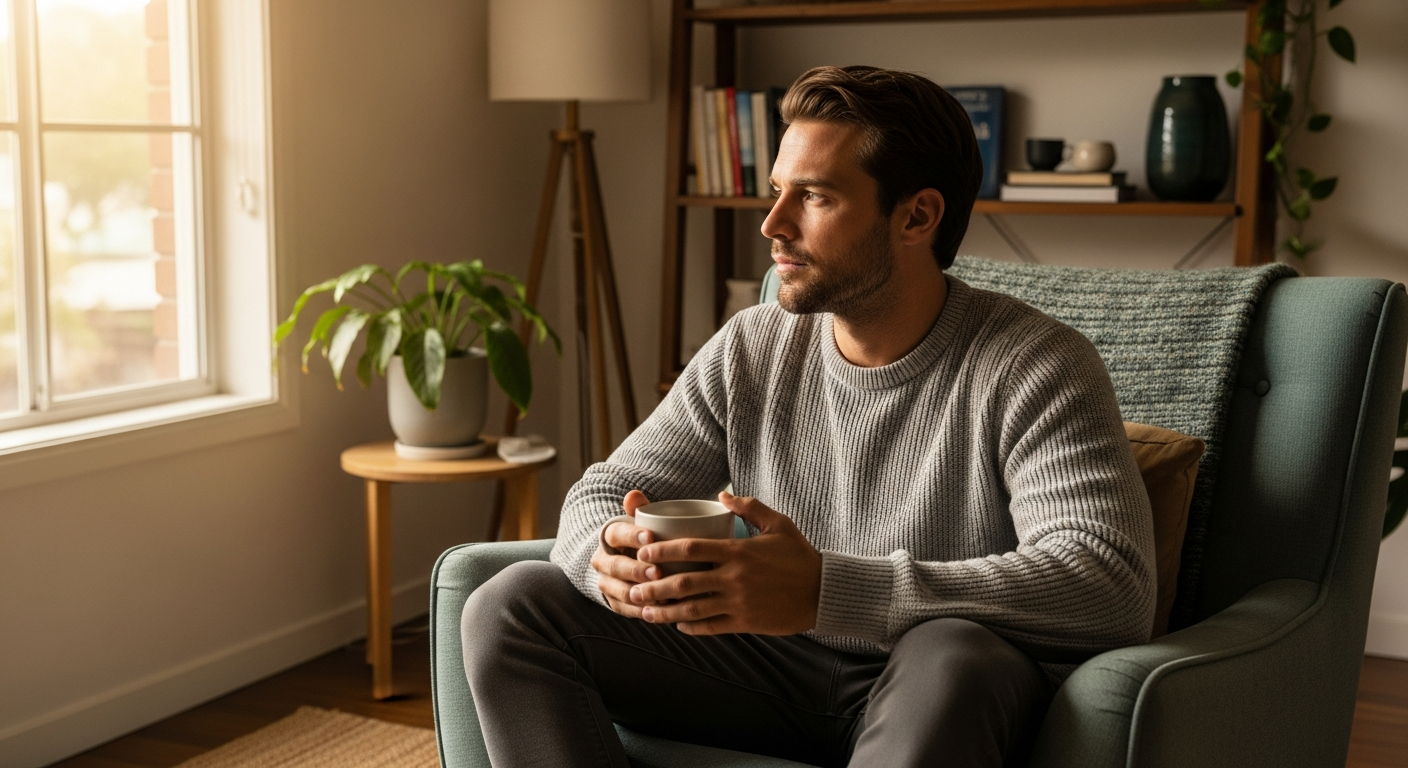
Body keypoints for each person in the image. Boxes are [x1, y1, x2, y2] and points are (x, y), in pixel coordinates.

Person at [462, 65, 1156, 768]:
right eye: (776, 192)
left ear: (917, 216)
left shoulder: (1037, 363)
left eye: (815, 197)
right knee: (513, 605)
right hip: (769, 671)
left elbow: (1107, 582)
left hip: (933, 684)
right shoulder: (753, 344)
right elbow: (604, 488)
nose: (772, 225)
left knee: (954, 653)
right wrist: (606, 553)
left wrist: (827, 589)